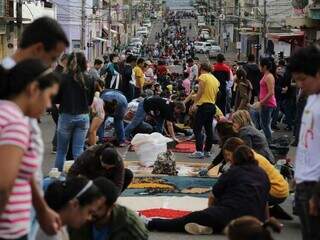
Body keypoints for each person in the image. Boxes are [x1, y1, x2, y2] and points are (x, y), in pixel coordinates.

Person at [147, 143, 270, 235]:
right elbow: (265, 203)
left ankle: (152, 223)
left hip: (230, 214)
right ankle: (213, 228)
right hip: (253, 220)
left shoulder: (233, 171)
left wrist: (210, 213)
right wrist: (264, 223)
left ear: (235, 159)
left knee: (190, 218)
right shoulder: (263, 174)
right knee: (222, 217)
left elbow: (213, 195)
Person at [0, 59, 61, 239]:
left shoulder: (5, 114)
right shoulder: (15, 123)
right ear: (33, 89)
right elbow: (3, 186)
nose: (49, 105)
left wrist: (42, 210)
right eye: (49, 96)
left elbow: (21, 174)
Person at [288, 45, 320, 240]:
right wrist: (297, 174)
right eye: (296, 79)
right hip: (303, 182)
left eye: (303, 79)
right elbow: (306, 142)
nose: (300, 84)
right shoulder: (310, 99)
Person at [69, 177, 149, 240]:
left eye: (99, 208)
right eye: (89, 205)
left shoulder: (131, 226)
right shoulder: (77, 217)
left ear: (111, 206)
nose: (91, 212)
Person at [54, 52, 95, 171]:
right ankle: (80, 176)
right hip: (83, 116)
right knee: (78, 150)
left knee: (61, 150)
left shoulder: (62, 78)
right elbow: (90, 101)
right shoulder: (90, 78)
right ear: (84, 63)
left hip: (66, 115)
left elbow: (56, 98)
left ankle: (59, 177)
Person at [222, 138, 288, 206]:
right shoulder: (249, 154)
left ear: (236, 151)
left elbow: (248, 183)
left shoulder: (252, 160)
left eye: (229, 154)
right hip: (277, 188)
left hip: (277, 191)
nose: (228, 158)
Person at [36, 177, 103, 240]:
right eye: (89, 212)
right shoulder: (51, 233)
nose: (89, 218)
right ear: (75, 204)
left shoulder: (61, 226)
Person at [68, 144, 133, 194]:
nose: (107, 168)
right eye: (106, 166)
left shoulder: (118, 160)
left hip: (107, 178)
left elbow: (119, 182)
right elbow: (73, 171)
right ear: (100, 158)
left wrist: (113, 198)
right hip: (90, 177)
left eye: (110, 167)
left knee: (128, 174)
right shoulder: (90, 154)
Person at [189, 63, 220, 159]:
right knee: (208, 129)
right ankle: (207, 151)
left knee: (197, 128)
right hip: (212, 105)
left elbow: (200, 91)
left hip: (203, 105)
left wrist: (195, 103)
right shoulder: (215, 79)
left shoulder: (203, 77)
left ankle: (199, 151)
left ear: (201, 69)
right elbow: (216, 94)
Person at [257, 57, 277, 143]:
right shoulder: (266, 75)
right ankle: (269, 141)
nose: (259, 67)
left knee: (264, 124)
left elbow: (271, 92)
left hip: (267, 104)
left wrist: (261, 102)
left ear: (264, 66)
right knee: (264, 124)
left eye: (260, 65)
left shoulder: (269, 76)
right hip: (265, 104)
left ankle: (269, 142)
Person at [88, 80, 105, 146]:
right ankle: (93, 145)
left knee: (92, 131)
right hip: (100, 114)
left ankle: (93, 146)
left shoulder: (94, 95)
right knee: (93, 131)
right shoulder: (99, 94)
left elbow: (93, 110)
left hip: (98, 114)